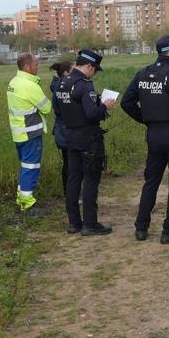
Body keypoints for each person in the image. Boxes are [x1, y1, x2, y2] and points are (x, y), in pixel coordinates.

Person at [121, 33, 169, 244]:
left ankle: (141, 227)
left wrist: (146, 120)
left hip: (154, 135)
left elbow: (126, 103)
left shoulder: (143, 73)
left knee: (151, 182)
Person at [56, 48, 115, 236]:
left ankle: (74, 223)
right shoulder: (84, 85)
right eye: (95, 69)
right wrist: (104, 106)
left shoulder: (62, 83)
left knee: (73, 179)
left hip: (70, 136)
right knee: (90, 180)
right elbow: (92, 114)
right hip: (89, 138)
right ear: (89, 66)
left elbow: (58, 109)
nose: (95, 73)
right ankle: (90, 223)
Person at [6, 52, 52, 214]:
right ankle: (27, 204)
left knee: (25, 167)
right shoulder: (30, 85)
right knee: (31, 168)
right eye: (36, 64)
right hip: (31, 134)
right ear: (27, 67)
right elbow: (47, 108)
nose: (38, 67)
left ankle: (22, 198)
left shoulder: (14, 82)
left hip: (18, 134)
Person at [48, 59, 73, 198]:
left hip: (61, 129)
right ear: (65, 73)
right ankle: (70, 193)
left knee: (68, 162)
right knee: (70, 163)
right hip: (66, 129)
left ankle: (68, 193)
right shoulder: (65, 87)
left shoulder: (57, 86)